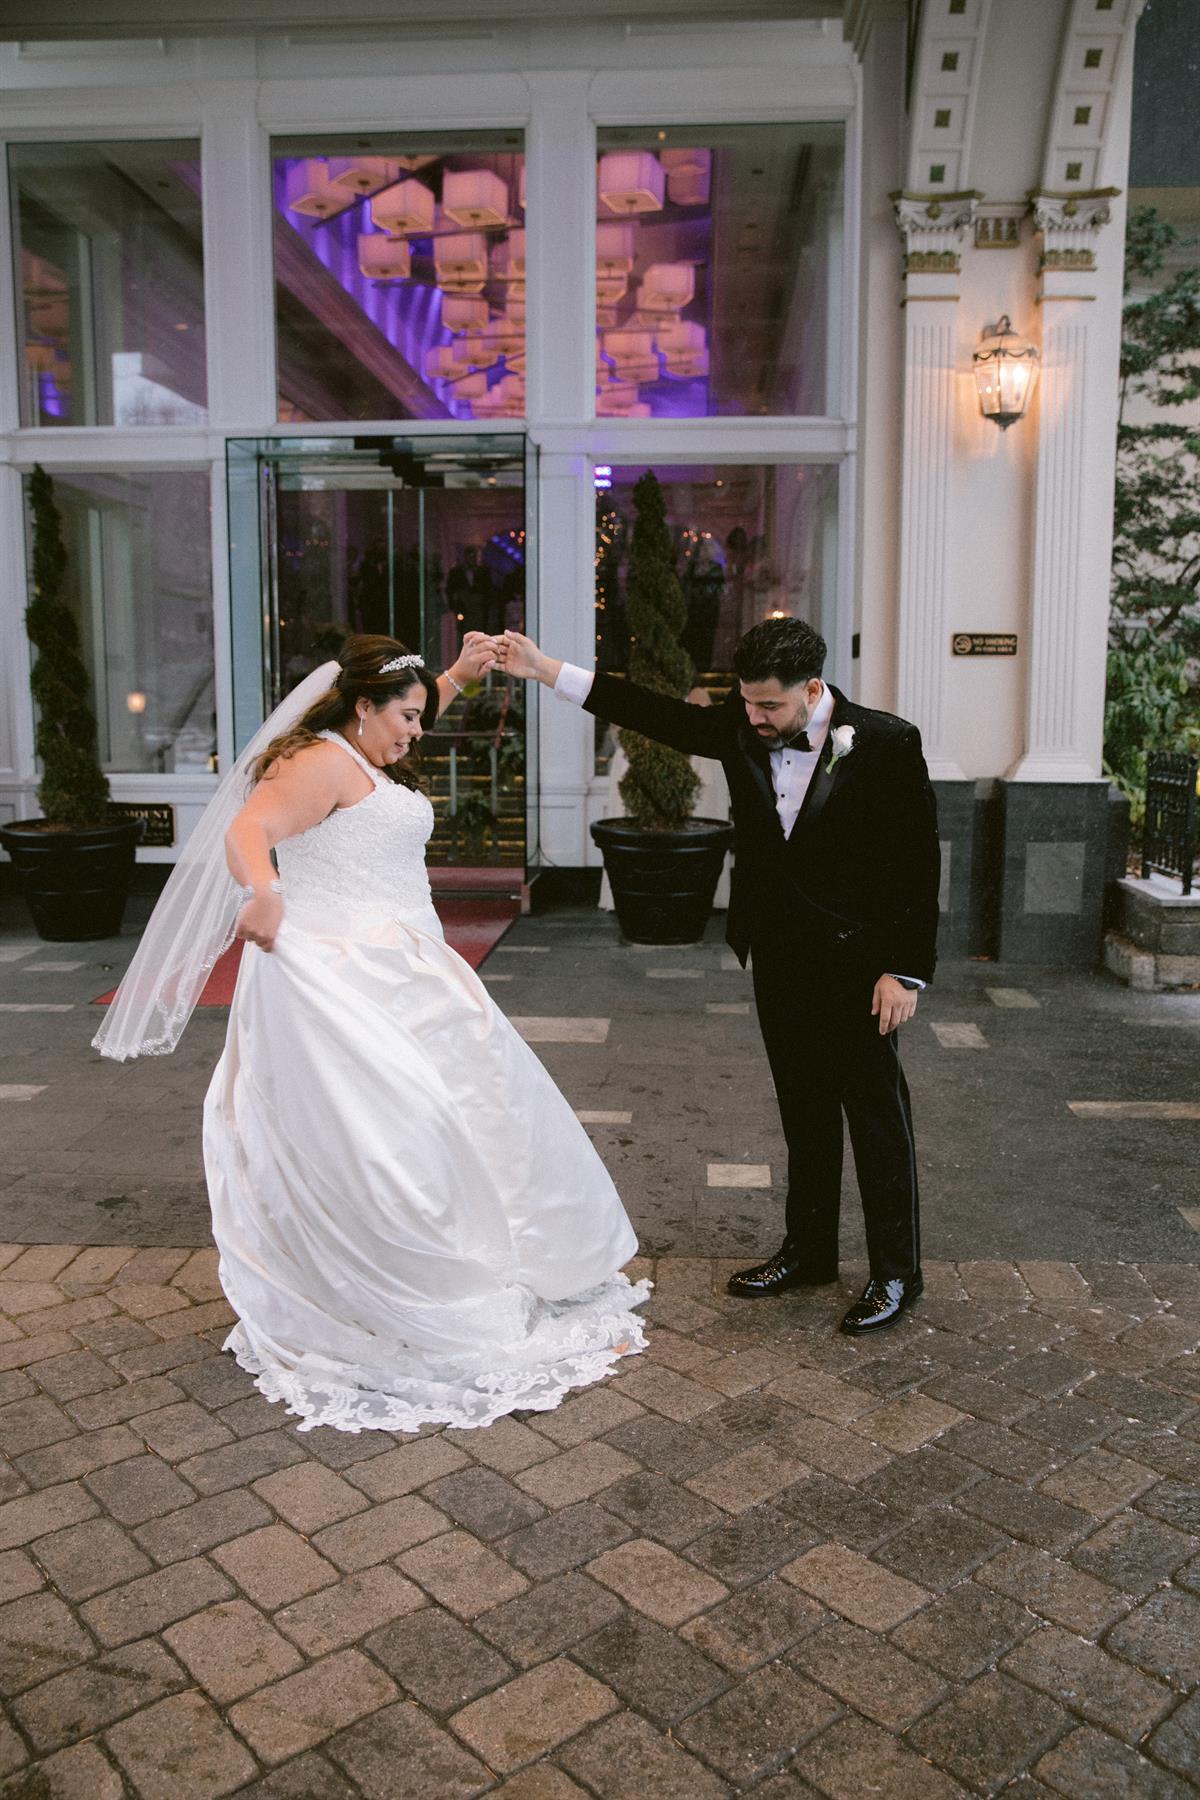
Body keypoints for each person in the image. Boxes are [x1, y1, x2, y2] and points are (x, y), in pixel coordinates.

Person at [94, 633, 648, 1432]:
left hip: (409, 970)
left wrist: (456, 677)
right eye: (408, 717)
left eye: (422, 715)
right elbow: (247, 830)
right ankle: (390, 1288)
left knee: (471, 1113)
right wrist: (264, 891)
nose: (419, 731)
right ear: (362, 707)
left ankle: (480, 1255)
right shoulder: (318, 762)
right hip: (340, 975)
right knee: (392, 1133)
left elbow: (403, 719)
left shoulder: (361, 748)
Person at [497, 617, 940, 1336]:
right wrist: (547, 669)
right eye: (747, 702)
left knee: (875, 1116)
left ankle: (897, 1272)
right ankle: (810, 1252)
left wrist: (904, 971)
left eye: (770, 705)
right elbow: (654, 713)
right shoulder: (742, 726)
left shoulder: (887, 741)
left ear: (813, 690)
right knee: (803, 1111)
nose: (755, 718)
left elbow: (915, 863)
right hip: (780, 953)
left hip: (861, 964)